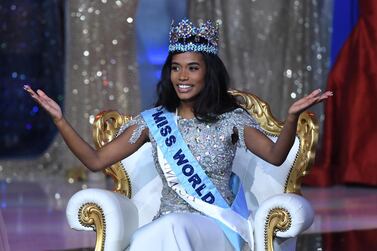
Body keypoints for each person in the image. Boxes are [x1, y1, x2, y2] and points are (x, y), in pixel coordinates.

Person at [24, 19, 332, 251]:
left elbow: (276, 156)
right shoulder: (152, 122)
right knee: (164, 230)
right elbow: (95, 160)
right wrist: (60, 120)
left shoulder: (233, 119)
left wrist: (291, 117)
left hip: (219, 228)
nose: (182, 76)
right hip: (167, 225)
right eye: (175, 68)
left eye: (192, 68)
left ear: (208, 72)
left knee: (173, 229)